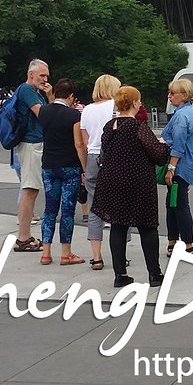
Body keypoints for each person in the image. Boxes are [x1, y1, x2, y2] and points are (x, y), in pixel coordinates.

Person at [92, 85, 169, 288]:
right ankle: (154, 273)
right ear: (135, 103)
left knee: (118, 226)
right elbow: (159, 156)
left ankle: (120, 274)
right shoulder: (139, 127)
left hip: (113, 181)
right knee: (147, 227)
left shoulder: (110, 126)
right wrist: (163, 145)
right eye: (139, 100)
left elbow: (105, 151)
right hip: (138, 182)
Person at [37, 78, 87, 266]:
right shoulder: (73, 115)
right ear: (71, 96)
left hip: (49, 164)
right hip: (69, 165)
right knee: (67, 210)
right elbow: (78, 143)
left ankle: (46, 252)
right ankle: (66, 253)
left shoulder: (43, 111)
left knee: (49, 209)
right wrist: (84, 165)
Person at [78, 74, 119, 270]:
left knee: (95, 205)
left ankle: (96, 256)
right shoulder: (115, 106)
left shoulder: (86, 110)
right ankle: (120, 255)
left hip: (93, 156)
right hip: (113, 157)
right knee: (119, 205)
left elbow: (84, 141)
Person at [162, 78, 193, 258]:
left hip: (179, 167)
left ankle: (185, 243)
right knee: (173, 203)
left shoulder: (180, 116)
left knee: (177, 205)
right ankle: (177, 241)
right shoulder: (190, 112)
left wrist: (171, 167)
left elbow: (178, 145)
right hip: (187, 166)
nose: (169, 96)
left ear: (184, 95)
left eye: (173, 93)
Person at [13, 59, 52, 253]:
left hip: (34, 143)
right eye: (42, 75)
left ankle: (25, 236)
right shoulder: (27, 91)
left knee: (32, 189)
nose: (45, 79)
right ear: (31, 74)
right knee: (29, 190)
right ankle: (23, 237)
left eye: (46, 76)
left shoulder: (36, 92)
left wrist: (49, 95)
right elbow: (44, 115)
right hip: (30, 144)